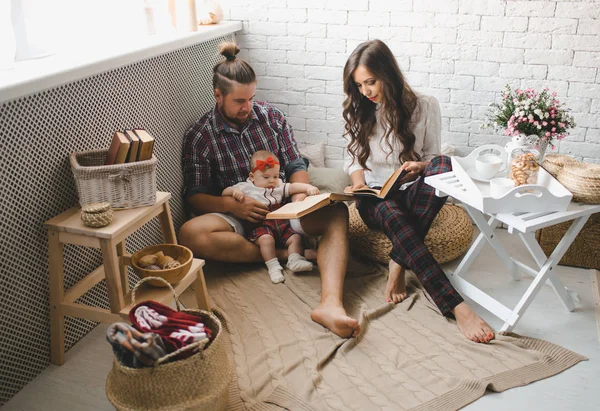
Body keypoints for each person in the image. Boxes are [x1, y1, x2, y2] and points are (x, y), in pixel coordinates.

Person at [179, 42, 360, 338]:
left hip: (282, 204)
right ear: (217, 95)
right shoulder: (200, 136)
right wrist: (232, 207)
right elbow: (195, 197)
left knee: (337, 212)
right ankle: (287, 253)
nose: (247, 107)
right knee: (189, 234)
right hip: (238, 214)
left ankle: (330, 305)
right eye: (239, 101)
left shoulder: (272, 118)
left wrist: (299, 198)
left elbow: (294, 164)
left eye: (251, 98)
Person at [342, 39, 494, 343]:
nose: (365, 92)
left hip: (410, 189)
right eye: (359, 85)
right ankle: (457, 306)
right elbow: (352, 159)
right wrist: (358, 183)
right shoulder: (360, 109)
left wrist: (420, 167)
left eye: (370, 82)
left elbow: (432, 155)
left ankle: (398, 260)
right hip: (375, 198)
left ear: (389, 74)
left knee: (442, 165)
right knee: (388, 208)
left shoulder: (425, 105)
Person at [222, 149, 320, 284]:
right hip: (261, 224)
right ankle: (273, 266)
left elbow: (292, 187)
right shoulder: (246, 187)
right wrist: (233, 192)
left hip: (281, 223)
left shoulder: (278, 186)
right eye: (266, 177)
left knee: (295, 237)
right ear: (252, 176)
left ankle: (295, 259)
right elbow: (224, 192)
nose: (272, 181)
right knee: (266, 240)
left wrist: (307, 188)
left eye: (275, 176)